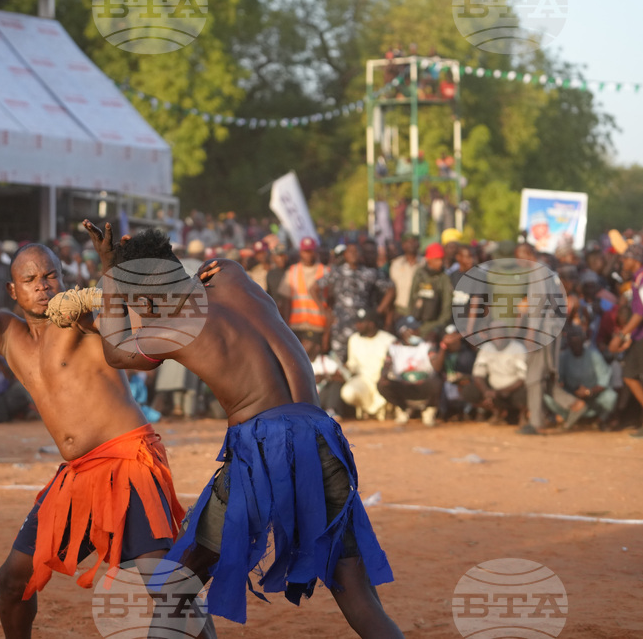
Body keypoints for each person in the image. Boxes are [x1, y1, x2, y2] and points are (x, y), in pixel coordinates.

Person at [76, 224, 401, 637]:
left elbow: (116, 352)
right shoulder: (229, 273)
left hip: (266, 449)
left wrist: (110, 273)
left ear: (146, 299)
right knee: (357, 592)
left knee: (175, 586)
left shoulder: (176, 327)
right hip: (321, 435)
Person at [0, 197, 185, 639]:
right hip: (77, 477)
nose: (42, 286)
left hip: (128, 464)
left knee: (165, 584)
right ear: (13, 290)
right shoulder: (7, 333)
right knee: (13, 580)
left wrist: (105, 282)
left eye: (50, 276)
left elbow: (128, 336)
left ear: (63, 278)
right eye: (30, 280)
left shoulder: (82, 317)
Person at [545, 325, 617, 430]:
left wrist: (588, 391)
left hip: (593, 395)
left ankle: (598, 422)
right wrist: (573, 392)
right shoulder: (564, 357)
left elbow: (604, 381)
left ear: (583, 340)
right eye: (572, 340)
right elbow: (560, 381)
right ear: (568, 342)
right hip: (572, 397)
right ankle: (568, 417)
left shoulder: (594, 355)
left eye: (577, 339)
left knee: (611, 396)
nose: (575, 343)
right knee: (548, 397)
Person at [613, 243, 643, 437]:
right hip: (640, 335)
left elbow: (640, 313)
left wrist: (621, 335)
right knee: (629, 374)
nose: (623, 262)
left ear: (635, 260)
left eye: (626, 258)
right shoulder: (638, 278)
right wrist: (631, 337)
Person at [378, 316, 440, 426]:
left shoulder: (427, 345)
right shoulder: (394, 347)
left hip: (423, 385)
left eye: (417, 329)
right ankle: (403, 408)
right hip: (403, 385)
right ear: (403, 332)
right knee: (382, 384)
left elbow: (437, 367)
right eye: (413, 329)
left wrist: (442, 348)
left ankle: (428, 409)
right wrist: (383, 377)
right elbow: (386, 366)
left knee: (437, 381)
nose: (417, 332)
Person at [277, 237, 329, 360]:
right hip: (297, 325)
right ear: (300, 252)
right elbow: (286, 301)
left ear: (315, 252)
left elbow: (330, 301)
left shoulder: (325, 271)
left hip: (317, 325)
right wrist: (286, 325)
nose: (308, 255)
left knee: (305, 357)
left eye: (310, 251)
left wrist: (327, 331)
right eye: (306, 251)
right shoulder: (292, 271)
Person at [341, 309, 396, 421]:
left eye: (361, 323)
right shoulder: (354, 339)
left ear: (371, 324)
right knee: (348, 393)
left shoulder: (389, 340)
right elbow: (352, 364)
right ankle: (367, 410)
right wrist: (345, 368)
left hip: (382, 381)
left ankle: (386, 409)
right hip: (364, 381)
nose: (357, 325)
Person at [408, 242, 453, 340]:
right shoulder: (420, 274)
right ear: (428, 259)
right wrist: (411, 324)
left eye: (441, 259)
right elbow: (412, 299)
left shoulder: (444, 278)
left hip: (433, 327)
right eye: (436, 259)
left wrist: (427, 329)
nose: (440, 262)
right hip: (416, 323)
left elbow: (446, 310)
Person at [389, 234, 422, 318]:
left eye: (413, 241)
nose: (411, 244)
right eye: (408, 242)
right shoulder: (396, 264)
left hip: (420, 310)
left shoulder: (425, 263)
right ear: (403, 245)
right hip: (400, 310)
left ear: (418, 244)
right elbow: (391, 289)